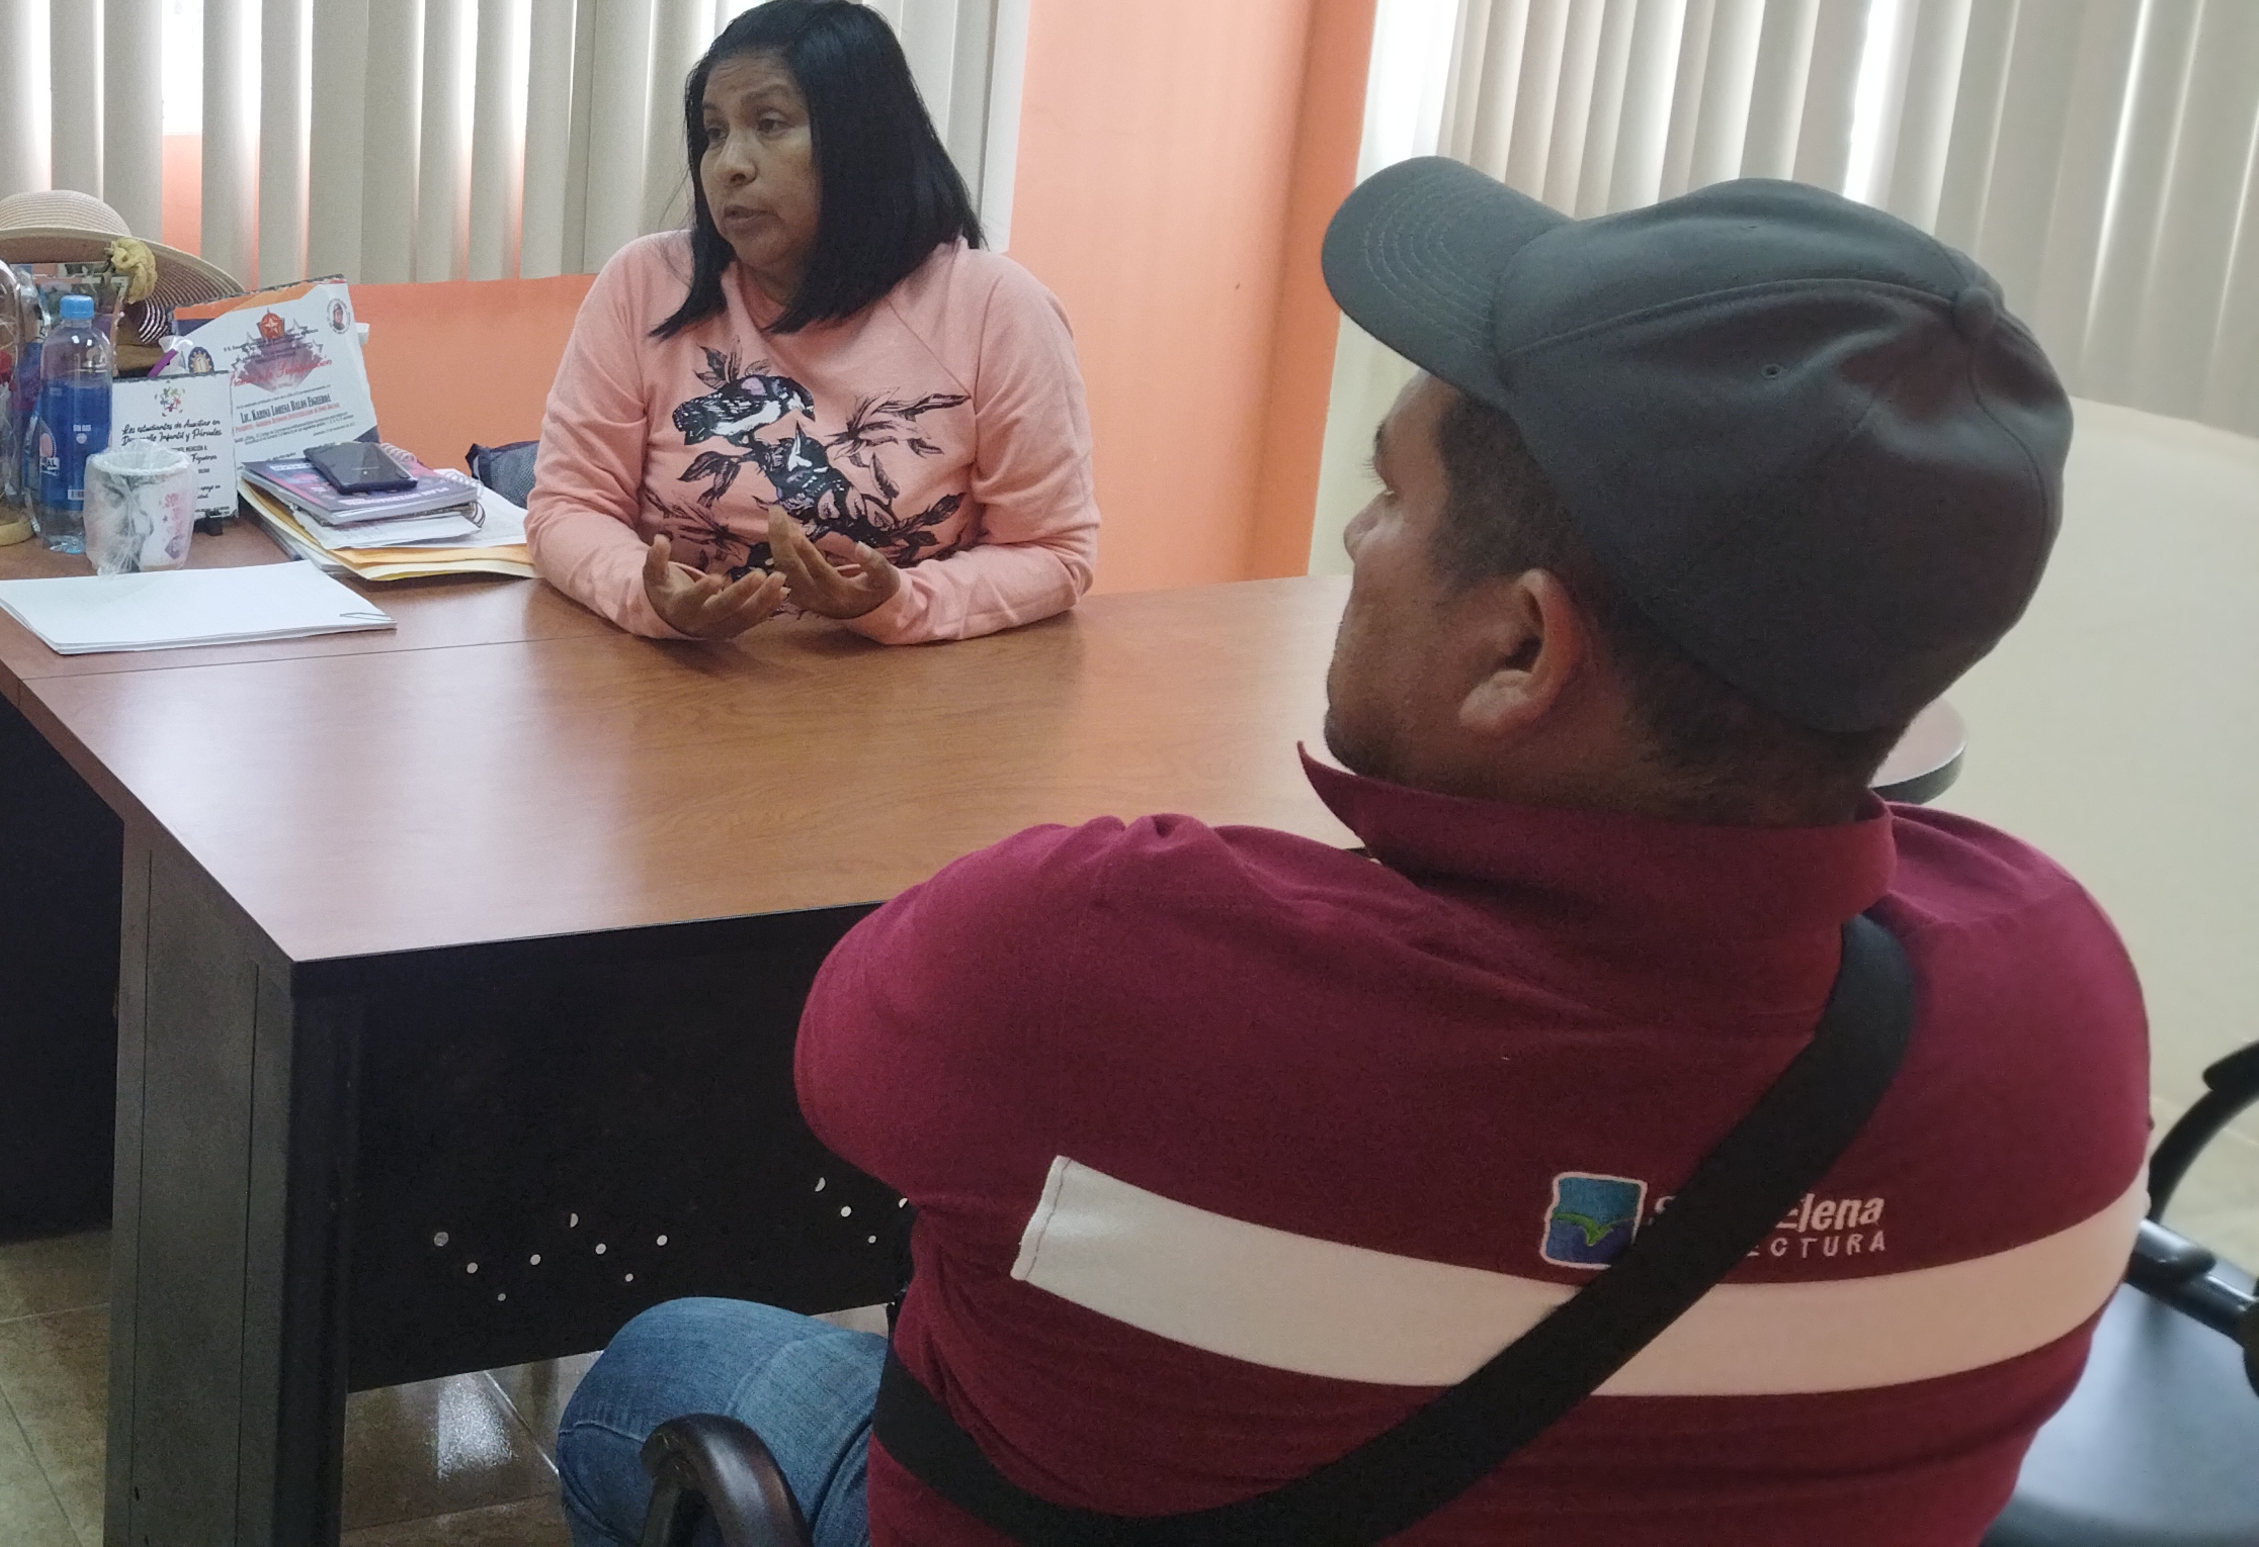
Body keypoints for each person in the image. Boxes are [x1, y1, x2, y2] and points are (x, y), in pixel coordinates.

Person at [552, 160, 2143, 1542]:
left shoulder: (1089, 959)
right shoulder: (2064, 1015)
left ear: (1521, 651)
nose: (1356, 541)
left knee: (668, 1363)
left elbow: (845, 1071)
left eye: (1389, 495)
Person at [526, 0, 1098, 645]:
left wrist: (901, 604)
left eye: (769, 123)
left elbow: (1053, 551)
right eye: (715, 133)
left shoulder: (997, 310)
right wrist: (650, 596)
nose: (730, 164)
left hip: (906, 686)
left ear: (862, 140)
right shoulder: (645, 283)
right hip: (681, 676)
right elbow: (567, 507)